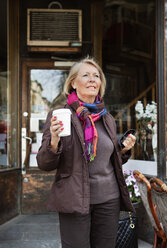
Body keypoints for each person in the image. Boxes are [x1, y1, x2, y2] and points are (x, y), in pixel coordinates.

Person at [37, 57, 136, 248]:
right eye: (86, 75)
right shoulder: (60, 115)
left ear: (100, 83)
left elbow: (107, 158)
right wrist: (55, 140)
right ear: (73, 83)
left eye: (96, 76)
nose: (92, 79)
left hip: (109, 199)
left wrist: (122, 148)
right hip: (74, 200)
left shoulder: (106, 118)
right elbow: (44, 163)